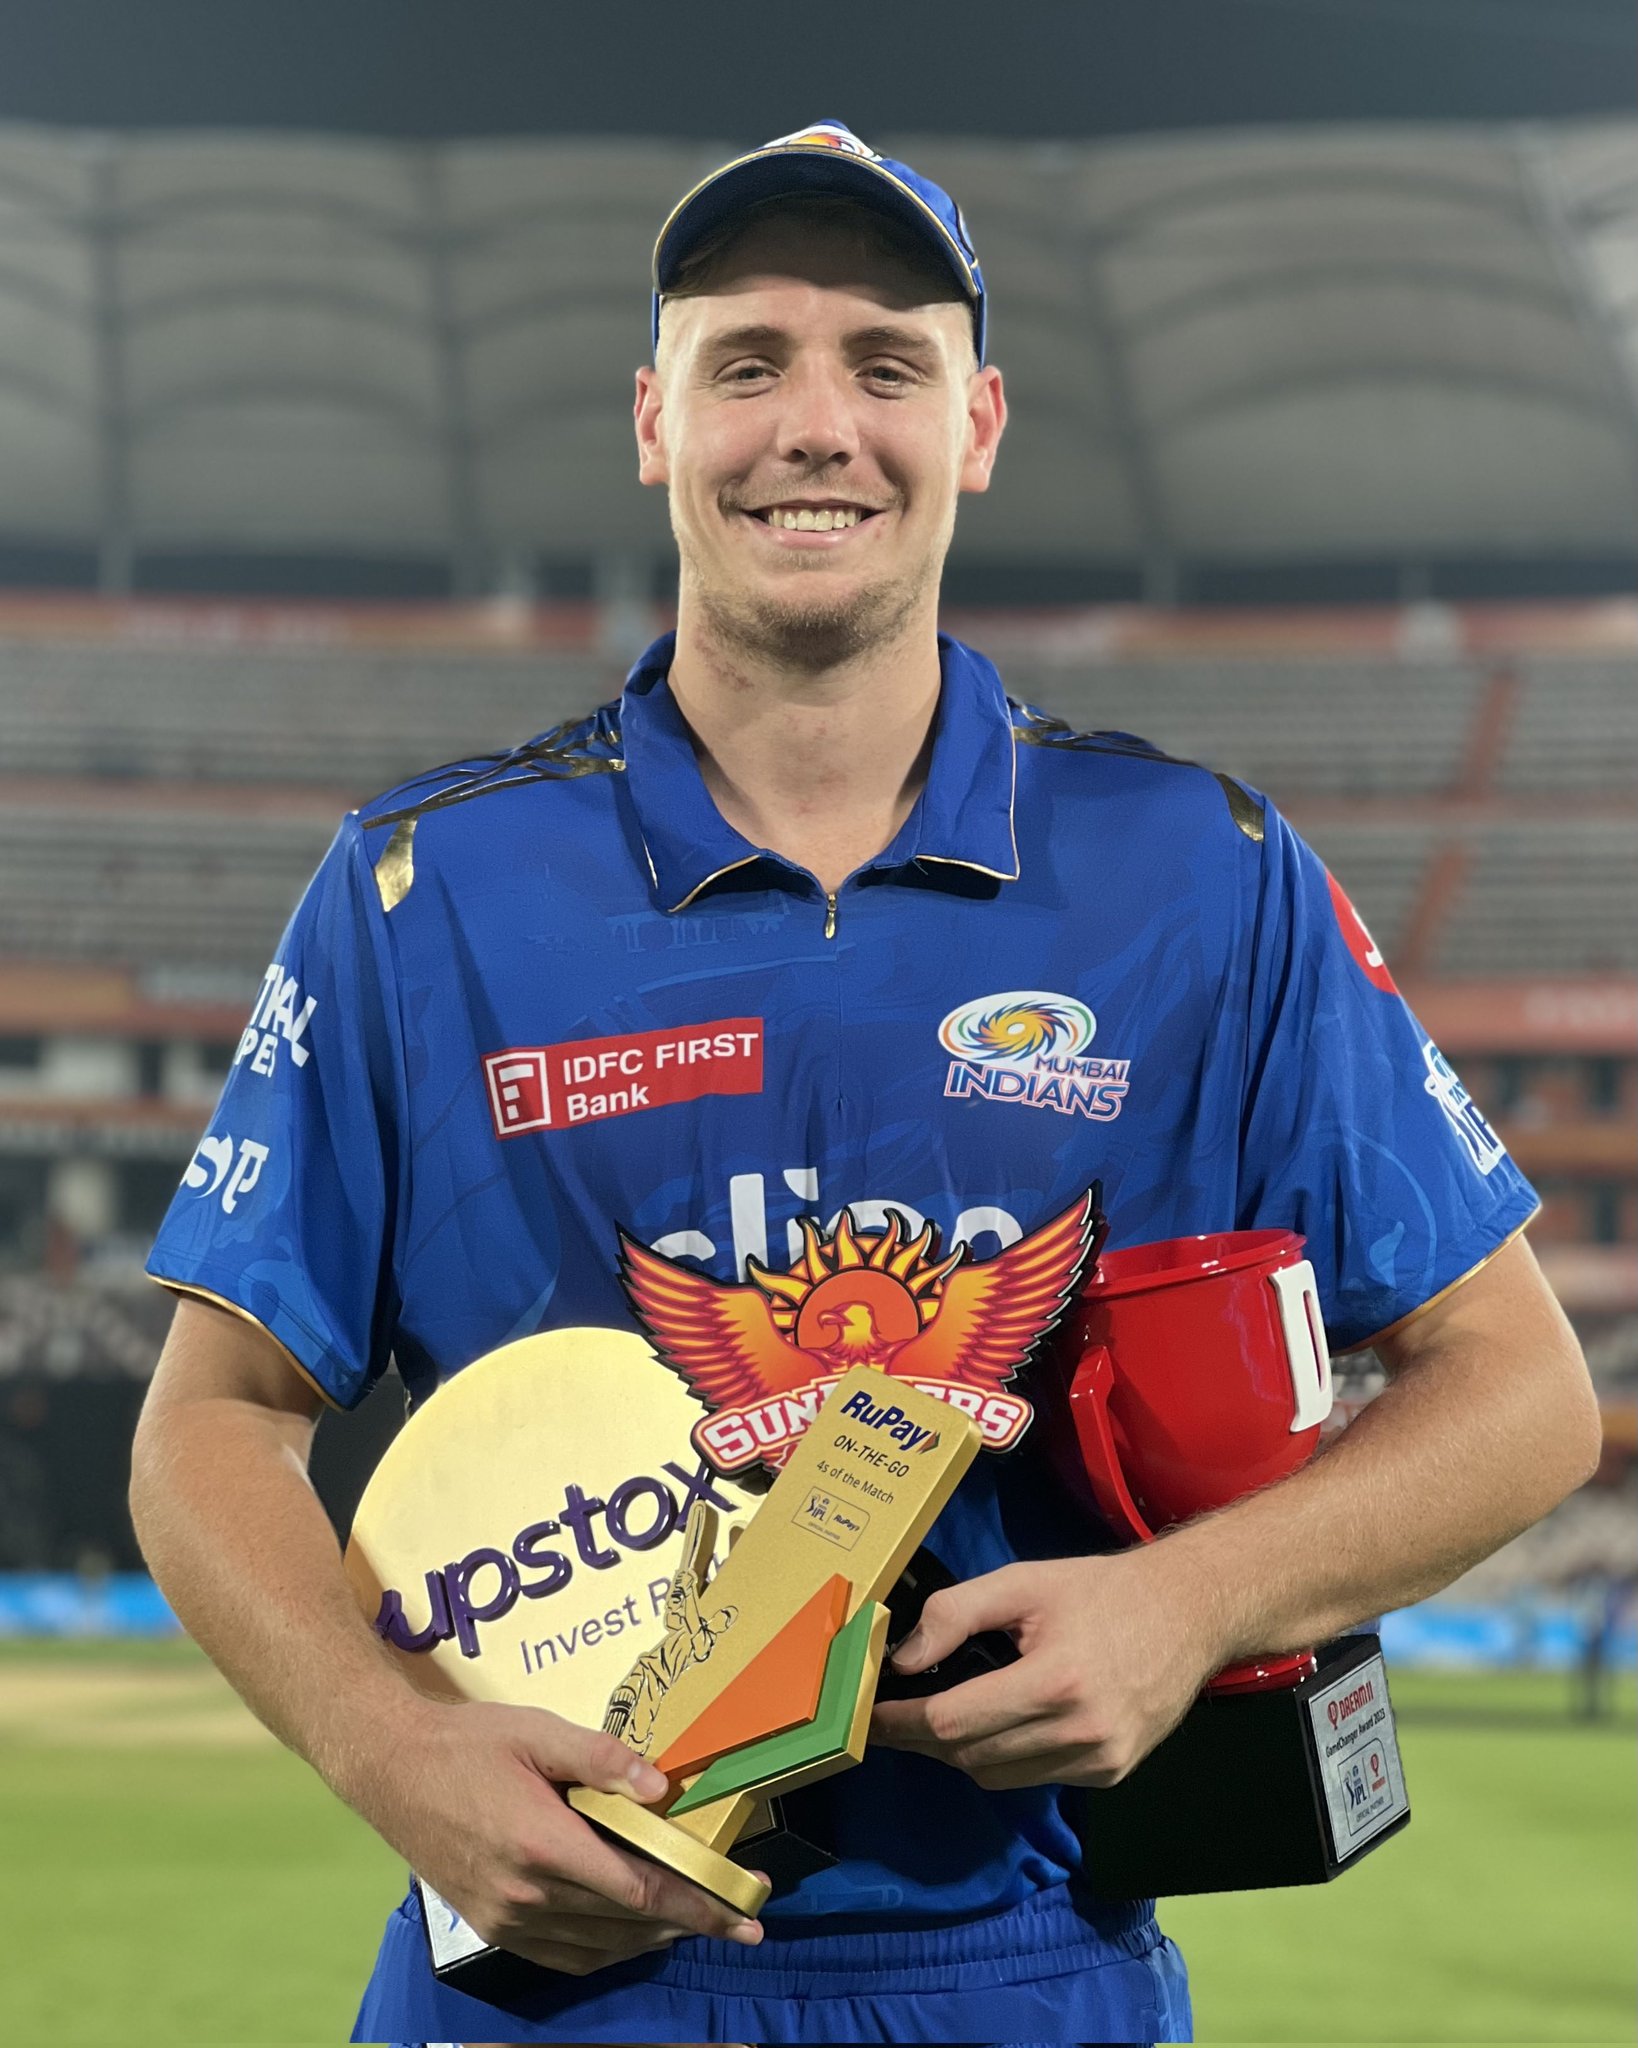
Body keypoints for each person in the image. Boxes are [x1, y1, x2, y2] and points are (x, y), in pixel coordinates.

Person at [130, 120, 1603, 2046]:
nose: (813, 424)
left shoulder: (1205, 871)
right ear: (651, 421)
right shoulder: (425, 890)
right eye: (745, 362)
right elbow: (208, 1425)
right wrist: (386, 1754)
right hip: (555, 1980)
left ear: (976, 424)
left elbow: (1521, 1396)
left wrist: (1188, 1607)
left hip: (1034, 1970)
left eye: (883, 365)